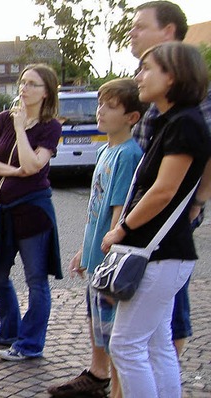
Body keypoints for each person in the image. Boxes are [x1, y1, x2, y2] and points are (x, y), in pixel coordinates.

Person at [101, 42, 210, 398]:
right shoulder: (174, 120)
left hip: (159, 253)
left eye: (147, 68)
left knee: (126, 347)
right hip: (163, 253)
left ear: (173, 76)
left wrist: (122, 228)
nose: (139, 75)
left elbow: (163, 191)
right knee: (156, 344)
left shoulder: (184, 123)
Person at [47, 79, 145, 397]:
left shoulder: (128, 155)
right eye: (100, 103)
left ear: (132, 117)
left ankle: (117, 390)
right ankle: (102, 381)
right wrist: (83, 251)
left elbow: (119, 211)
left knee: (114, 332)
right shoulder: (105, 150)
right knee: (98, 327)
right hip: (95, 258)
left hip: (109, 262)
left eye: (111, 106)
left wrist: (107, 257)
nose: (100, 110)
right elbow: (95, 209)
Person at [128, 0, 211, 357]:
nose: (132, 32)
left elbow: (170, 182)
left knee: (135, 340)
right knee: (155, 333)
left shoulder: (188, 110)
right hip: (148, 220)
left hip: (163, 227)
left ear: (169, 33)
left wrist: (197, 203)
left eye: (139, 25)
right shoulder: (161, 98)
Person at [0, 64, 62, 361]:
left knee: (36, 280)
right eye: (22, 82)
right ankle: (9, 328)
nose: (24, 89)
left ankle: (30, 344)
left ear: (46, 92)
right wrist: (15, 171)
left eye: (32, 84)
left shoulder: (50, 126)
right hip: (4, 210)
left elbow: (34, 165)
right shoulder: (3, 118)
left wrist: (20, 129)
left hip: (34, 211)